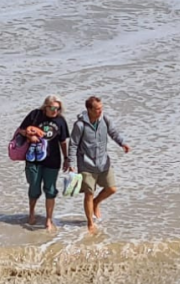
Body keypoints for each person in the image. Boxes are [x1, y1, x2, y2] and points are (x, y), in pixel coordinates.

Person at [67, 94, 130, 227]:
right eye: (97, 109)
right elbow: (73, 145)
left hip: (103, 162)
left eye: (101, 108)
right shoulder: (80, 125)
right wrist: (71, 164)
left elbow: (113, 133)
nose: (100, 111)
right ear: (89, 110)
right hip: (86, 164)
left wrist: (122, 143)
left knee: (111, 188)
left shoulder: (104, 119)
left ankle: (96, 202)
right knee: (89, 194)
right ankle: (90, 223)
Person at [15, 95, 71, 230]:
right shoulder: (35, 115)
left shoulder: (61, 121)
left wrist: (66, 158)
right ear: (46, 107)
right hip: (33, 158)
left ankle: (49, 220)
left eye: (58, 108)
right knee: (34, 186)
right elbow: (21, 130)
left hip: (53, 160)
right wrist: (30, 135)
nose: (55, 111)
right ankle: (31, 213)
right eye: (52, 108)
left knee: (50, 190)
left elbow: (63, 141)